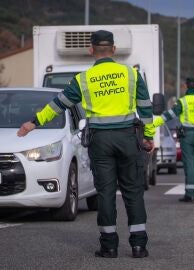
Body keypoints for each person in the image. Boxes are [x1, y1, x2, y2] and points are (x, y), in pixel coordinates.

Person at [17, 30, 154, 258]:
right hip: (128, 139)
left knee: (106, 193)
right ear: (114, 49)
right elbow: (146, 108)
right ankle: (139, 245)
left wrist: (34, 122)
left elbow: (59, 104)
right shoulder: (132, 74)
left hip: (100, 142)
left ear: (91, 50)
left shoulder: (83, 79)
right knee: (133, 192)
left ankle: (109, 246)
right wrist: (148, 136)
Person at [153, 77, 194, 202]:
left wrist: (153, 124)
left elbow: (169, 115)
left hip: (187, 136)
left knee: (189, 164)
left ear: (186, 86)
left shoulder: (183, 101)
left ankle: (189, 193)